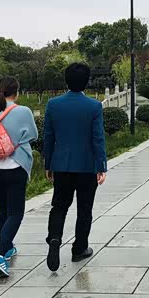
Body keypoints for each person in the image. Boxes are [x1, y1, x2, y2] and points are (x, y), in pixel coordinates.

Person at [43, 62, 107, 272]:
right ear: (87, 82)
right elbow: (98, 138)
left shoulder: (53, 104)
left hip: (61, 165)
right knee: (84, 209)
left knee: (59, 205)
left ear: (66, 80)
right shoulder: (94, 106)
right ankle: (79, 248)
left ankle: (54, 238)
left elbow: (49, 137)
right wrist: (101, 165)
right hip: (87, 166)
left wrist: (48, 163)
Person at [0, 76, 38, 278]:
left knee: (4, 209)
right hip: (15, 166)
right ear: (17, 91)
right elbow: (33, 135)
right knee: (16, 213)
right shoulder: (23, 111)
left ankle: (7, 248)